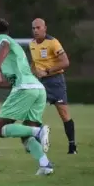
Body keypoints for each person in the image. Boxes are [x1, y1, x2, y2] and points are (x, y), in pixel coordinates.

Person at [0, 18, 53, 175]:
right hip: (38, 90)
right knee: (25, 133)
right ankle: (45, 165)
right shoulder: (15, 50)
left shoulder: (0, 39)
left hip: (25, 89)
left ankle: (39, 131)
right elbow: (12, 80)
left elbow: (4, 45)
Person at [29, 18, 77, 154]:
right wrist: (33, 72)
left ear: (45, 28)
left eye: (38, 28)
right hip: (40, 83)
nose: (35, 31)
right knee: (34, 112)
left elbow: (65, 62)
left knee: (64, 113)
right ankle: (36, 144)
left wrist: (47, 71)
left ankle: (72, 146)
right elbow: (34, 63)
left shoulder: (53, 42)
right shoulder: (32, 44)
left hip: (55, 81)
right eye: (33, 28)